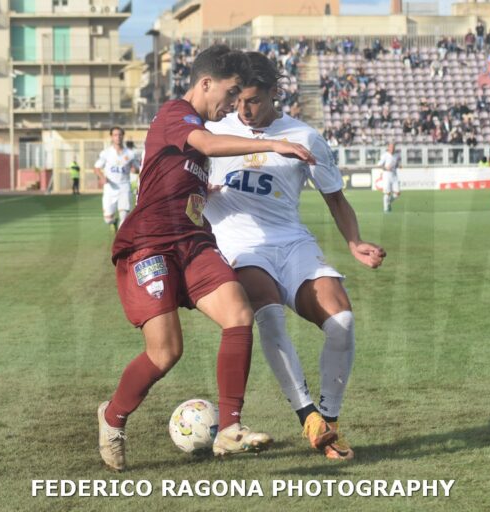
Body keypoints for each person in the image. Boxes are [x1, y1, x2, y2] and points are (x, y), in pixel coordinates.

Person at [97, 45, 315, 472]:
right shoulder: (175, 114)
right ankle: (112, 417)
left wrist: (202, 193)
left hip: (194, 242)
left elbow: (183, 171)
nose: (233, 104)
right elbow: (206, 144)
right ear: (205, 83)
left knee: (238, 313)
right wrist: (274, 142)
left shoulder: (197, 128)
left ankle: (230, 429)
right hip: (151, 244)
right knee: (165, 352)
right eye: (230, 93)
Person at [204, 52, 385, 461]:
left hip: (292, 242)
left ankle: (330, 421)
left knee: (342, 320)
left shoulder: (304, 136)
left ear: (274, 93)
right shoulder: (214, 132)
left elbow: (335, 199)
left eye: (252, 99)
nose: (243, 109)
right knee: (267, 313)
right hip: (240, 245)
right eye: (237, 99)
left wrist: (354, 242)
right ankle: (309, 417)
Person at [93, 127, 139, 232]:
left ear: (123, 136)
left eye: (120, 135)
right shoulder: (106, 153)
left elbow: (137, 169)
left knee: (124, 218)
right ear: (111, 137)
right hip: (110, 188)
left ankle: (120, 242)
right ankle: (113, 222)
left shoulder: (130, 154)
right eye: (115, 135)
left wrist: (134, 170)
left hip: (124, 187)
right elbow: (96, 168)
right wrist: (102, 177)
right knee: (107, 219)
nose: (118, 137)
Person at [377, 143, 401, 213]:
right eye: (391, 147)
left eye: (393, 147)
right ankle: (386, 209)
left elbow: (396, 164)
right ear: (388, 148)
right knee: (387, 193)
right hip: (387, 175)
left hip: (394, 175)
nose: (392, 149)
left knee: (397, 193)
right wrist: (385, 168)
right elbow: (379, 165)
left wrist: (398, 166)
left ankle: (388, 202)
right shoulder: (385, 155)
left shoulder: (396, 155)